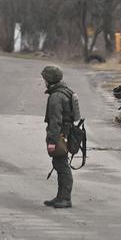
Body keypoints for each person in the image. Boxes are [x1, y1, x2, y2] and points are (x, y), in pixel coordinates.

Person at [42, 65, 75, 209]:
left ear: (49, 80)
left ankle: (66, 199)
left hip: (60, 135)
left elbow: (55, 121)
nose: (44, 82)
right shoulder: (64, 91)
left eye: (45, 79)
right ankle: (60, 197)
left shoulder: (56, 96)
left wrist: (52, 141)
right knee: (59, 164)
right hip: (65, 133)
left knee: (62, 166)